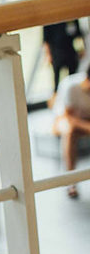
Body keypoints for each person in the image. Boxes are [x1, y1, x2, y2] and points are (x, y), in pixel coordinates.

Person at [43, 0, 85, 98]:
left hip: (70, 50)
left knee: (73, 78)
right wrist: (48, 55)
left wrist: (81, 49)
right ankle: (55, 102)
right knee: (56, 81)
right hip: (57, 52)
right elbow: (45, 37)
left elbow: (78, 32)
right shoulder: (49, 12)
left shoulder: (70, 10)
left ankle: (73, 100)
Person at [56, 64, 90, 198]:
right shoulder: (71, 86)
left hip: (85, 119)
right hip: (65, 120)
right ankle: (71, 181)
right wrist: (87, 127)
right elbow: (69, 118)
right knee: (69, 132)